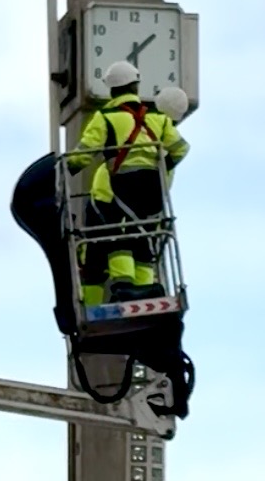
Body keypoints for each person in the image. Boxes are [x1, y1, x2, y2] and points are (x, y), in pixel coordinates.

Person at [67, 61, 190, 305]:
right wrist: (161, 168)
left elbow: (83, 154)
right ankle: (147, 290)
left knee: (117, 237)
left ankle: (123, 285)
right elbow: (181, 148)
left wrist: (65, 170)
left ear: (113, 90)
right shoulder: (158, 120)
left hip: (122, 186)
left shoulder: (106, 118)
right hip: (153, 190)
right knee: (142, 239)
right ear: (136, 86)